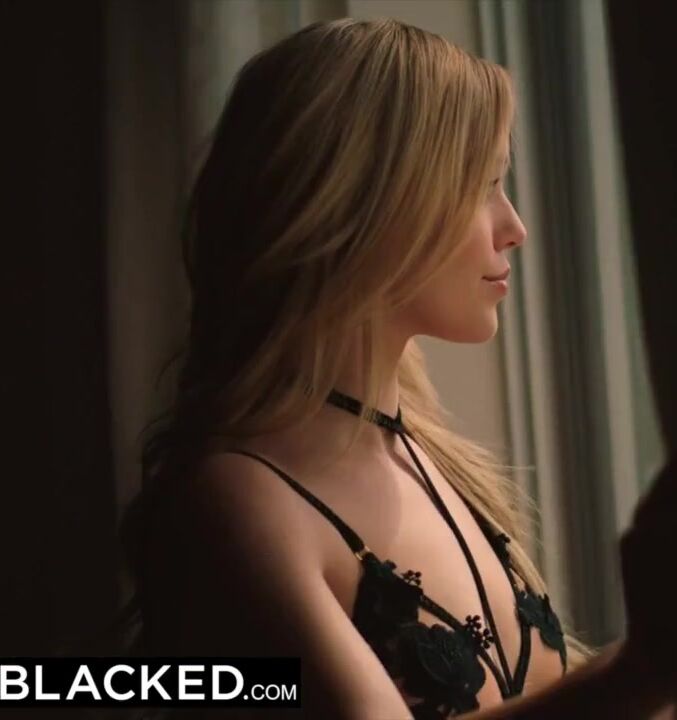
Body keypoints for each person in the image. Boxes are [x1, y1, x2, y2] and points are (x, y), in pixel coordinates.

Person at [119, 17, 677, 719]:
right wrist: (642, 669)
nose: (514, 227)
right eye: (483, 185)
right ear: (370, 204)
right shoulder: (236, 502)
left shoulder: (433, 459)